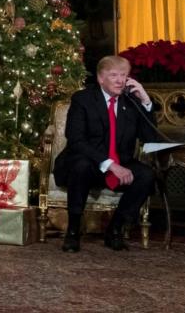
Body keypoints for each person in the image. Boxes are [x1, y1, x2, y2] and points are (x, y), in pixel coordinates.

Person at [52, 55, 158, 252]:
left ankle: (115, 229)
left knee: (146, 175)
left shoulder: (132, 102)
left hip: (120, 161)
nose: (120, 80)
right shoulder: (83, 99)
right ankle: (73, 232)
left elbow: (150, 137)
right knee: (81, 166)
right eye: (114, 75)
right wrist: (110, 165)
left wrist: (146, 101)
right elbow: (76, 140)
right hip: (87, 162)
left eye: (124, 75)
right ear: (101, 78)